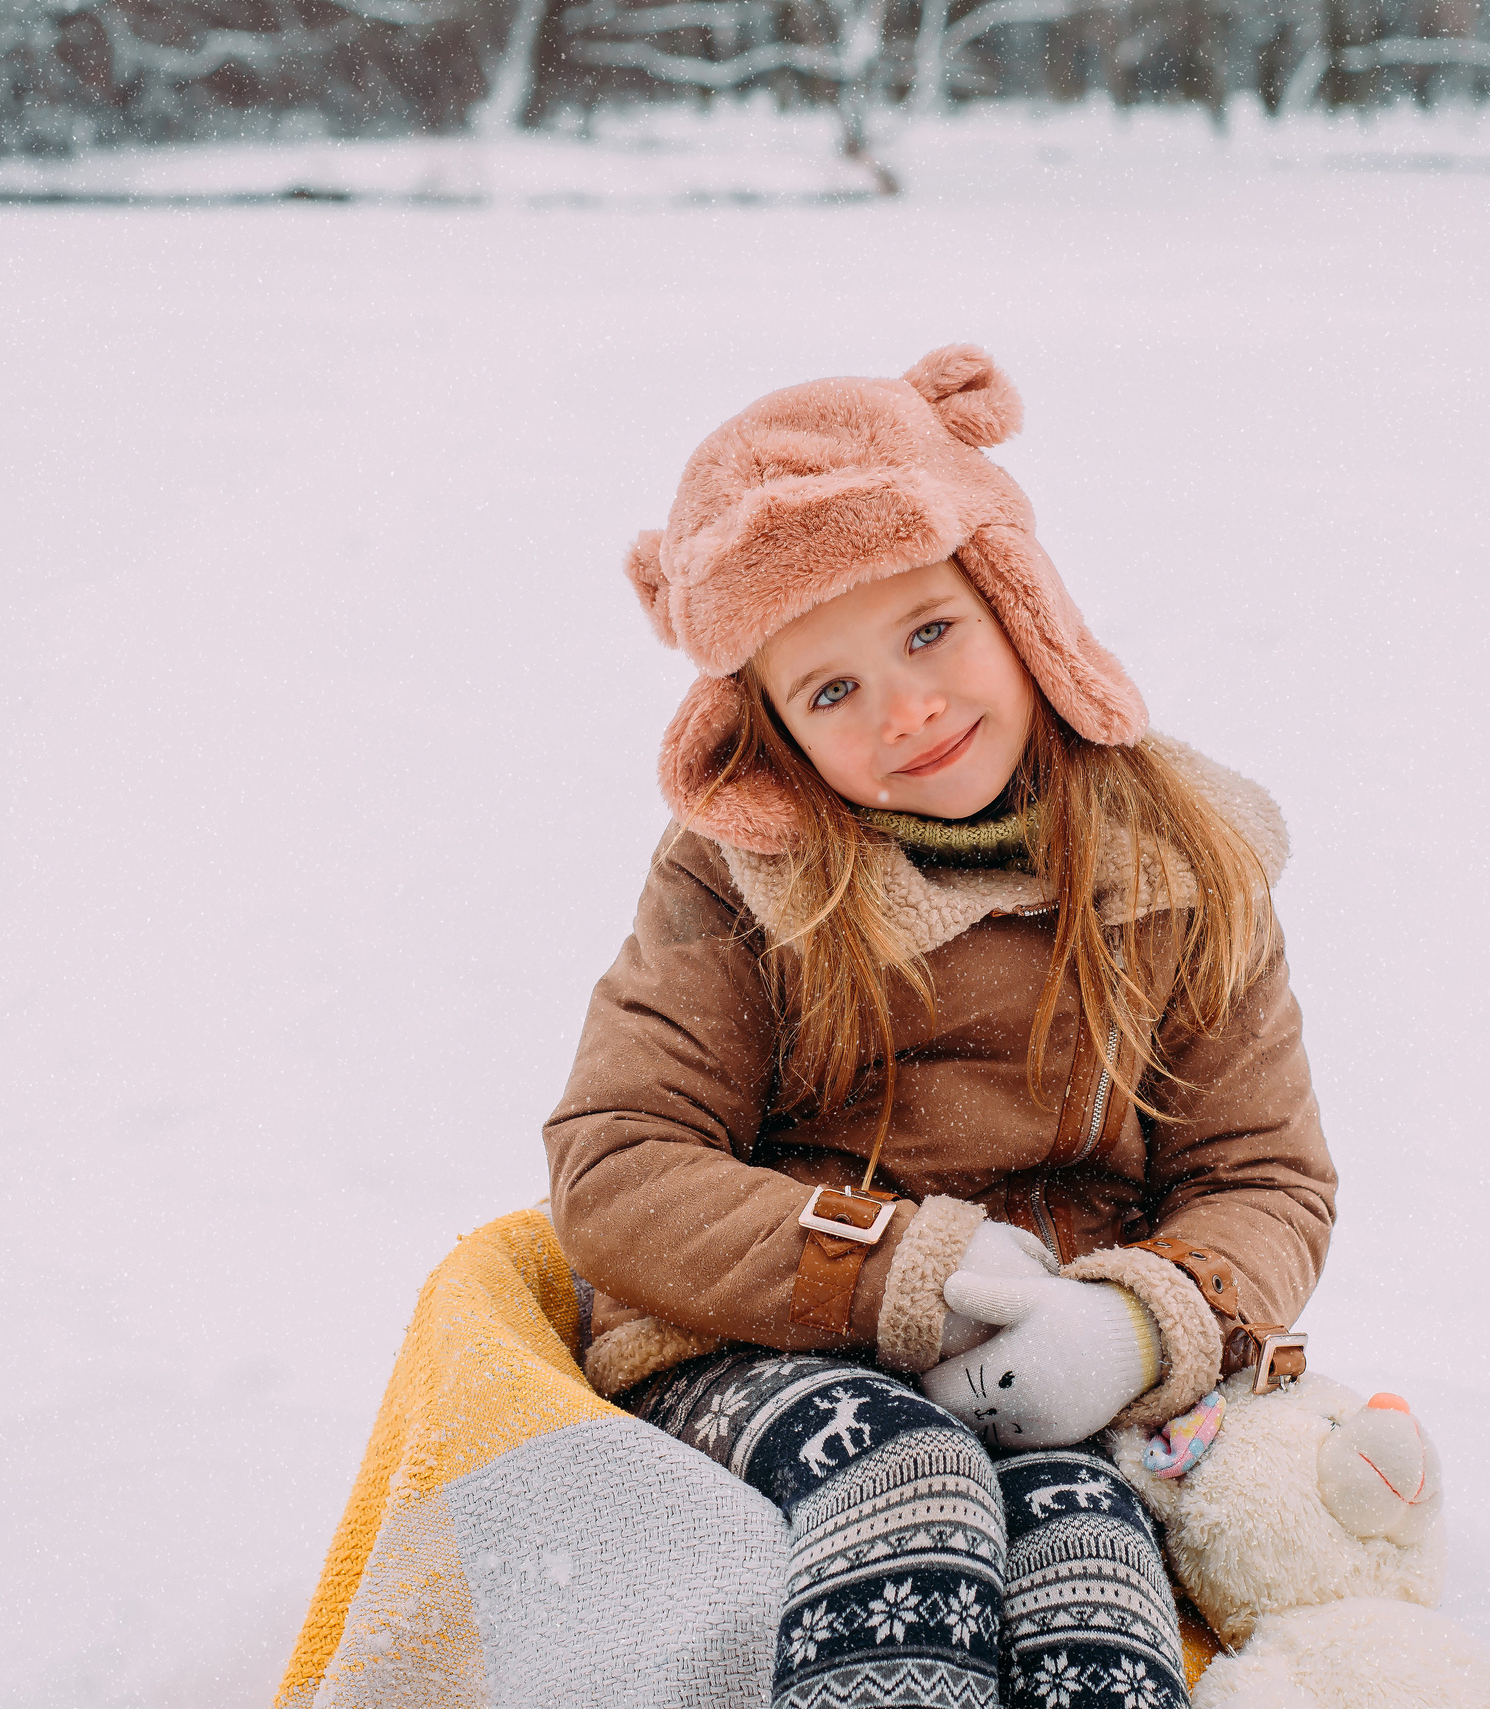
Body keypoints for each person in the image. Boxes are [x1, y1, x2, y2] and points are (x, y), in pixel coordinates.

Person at [545, 345, 1336, 1709]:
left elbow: (1261, 1175)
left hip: (1052, 1352)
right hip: (761, 1337)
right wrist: (894, 1263)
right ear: (774, 727)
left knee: (1089, 1548)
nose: (906, 709)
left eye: (929, 632)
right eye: (830, 690)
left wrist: (1143, 1326)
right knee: (905, 1474)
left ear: (1017, 604)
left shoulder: (1182, 865)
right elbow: (619, 1160)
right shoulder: (740, 877)